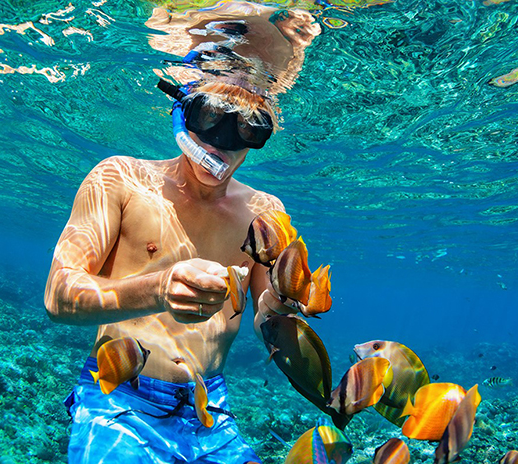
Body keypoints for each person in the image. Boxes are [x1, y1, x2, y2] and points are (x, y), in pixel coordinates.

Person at [44, 4, 320, 463]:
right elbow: (58, 295)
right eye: (208, 117)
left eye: (249, 129)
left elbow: (265, 312)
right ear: (181, 113)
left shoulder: (265, 211)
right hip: (117, 399)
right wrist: (158, 287)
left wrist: (284, 305)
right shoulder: (120, 179)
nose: (223, 143)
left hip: (209, 408)